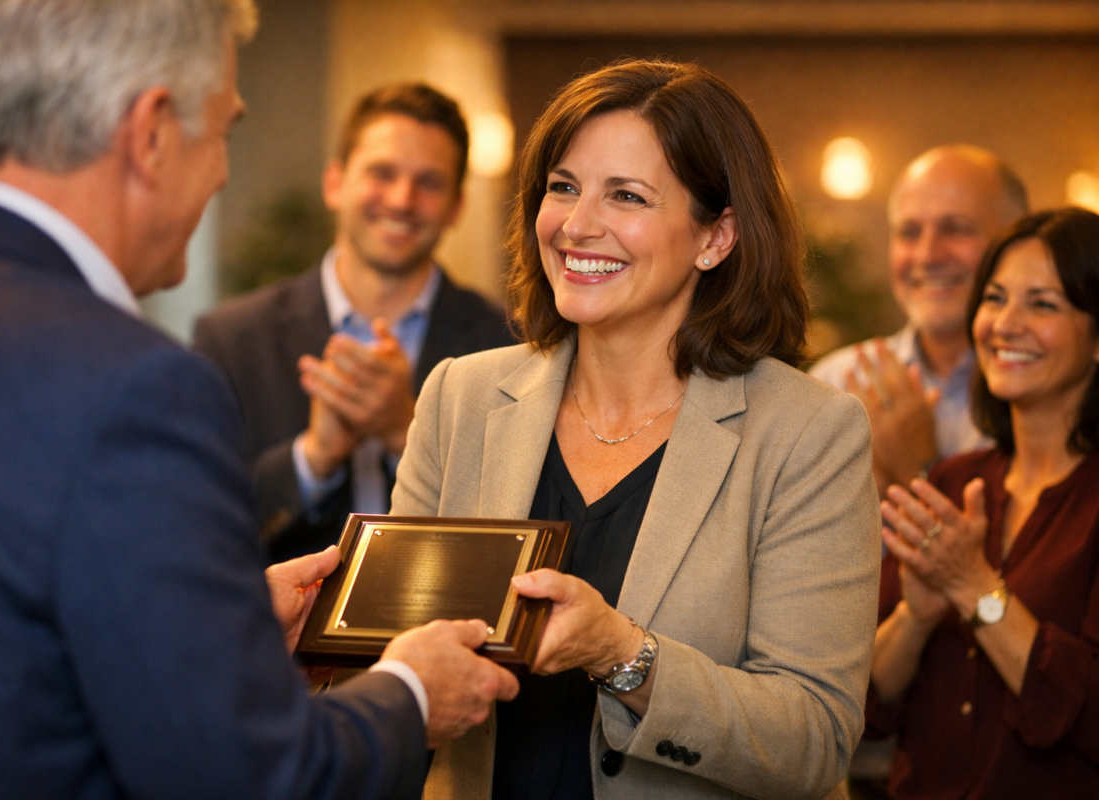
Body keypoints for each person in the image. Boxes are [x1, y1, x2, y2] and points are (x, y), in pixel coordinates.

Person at [0, 2, 518, 798]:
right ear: (153, 131)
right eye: (224, 127)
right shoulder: (135, 386)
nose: (224, 170)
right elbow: (253, 778)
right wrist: (411, 693)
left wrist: (216, 625)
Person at [391, 59, 881, 799]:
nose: (577, 225)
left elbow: (814, 738)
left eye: (627, 195)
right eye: (563, 186)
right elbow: (389, 655)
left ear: (716, 238)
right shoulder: (460, 397)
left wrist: (625, 656)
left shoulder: (810, 433)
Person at [193, 83, 512, 562]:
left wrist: (408, 434)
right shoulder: (232, 339)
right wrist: (314, 458)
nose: (402, 200)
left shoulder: (509, 344)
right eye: (381, 173)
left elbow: (520, 530)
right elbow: (200, 526)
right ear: (335, 184)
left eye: (429, 183)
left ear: (456, 207)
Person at [867, 207, 1099, 798]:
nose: (1005, 324)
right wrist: (915, 618)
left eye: (1043, 304)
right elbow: (867, 697)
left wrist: (974, 588)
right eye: (995, 299)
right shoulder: (954, 480)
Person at [810, 146, 1028, 495]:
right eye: (909, 233)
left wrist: (918, 469)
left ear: (1015, 243)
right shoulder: (835, 385)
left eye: (955, 229)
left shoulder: (1041, 389)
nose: (927, 256)